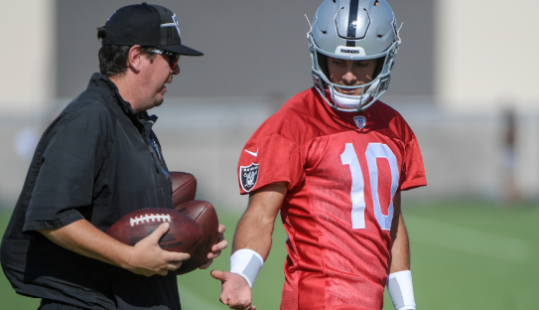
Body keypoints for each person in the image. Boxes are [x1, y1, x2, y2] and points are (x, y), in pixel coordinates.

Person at [1, 3, 227, 310]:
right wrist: (131, 258)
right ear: (136, 57)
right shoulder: (89, 118)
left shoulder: (134, 120)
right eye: (170, 58)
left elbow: (122, 217)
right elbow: (52, 217)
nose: (176, 70)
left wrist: (190, 244)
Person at [211, 1, 426, 309]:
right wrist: (243, 275)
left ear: (384, 61)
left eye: (362, 64)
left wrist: (407, 305)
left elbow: (392, 223)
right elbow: (260, 214)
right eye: (337, 61)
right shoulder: (294, 122)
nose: (348, 76)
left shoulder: (395, 128)